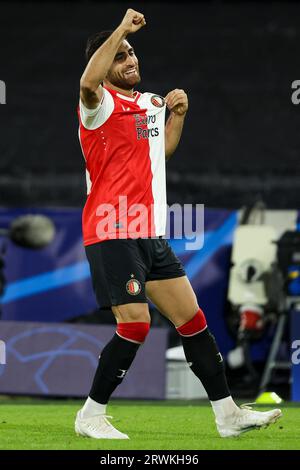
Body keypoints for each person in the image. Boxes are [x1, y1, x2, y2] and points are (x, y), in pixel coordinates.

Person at [75, 8, 282, 439]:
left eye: (133, 53)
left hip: (150, 233)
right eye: (121, 55)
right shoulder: (98, 105)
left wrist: (178, 118)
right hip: (112, 229)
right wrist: (119, 30)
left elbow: (160, 153)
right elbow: (87, 82)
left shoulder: (149, 104)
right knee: (134, 324)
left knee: (193, 321)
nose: (131, 59)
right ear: (105, 61)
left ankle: (227, 415)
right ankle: (90, 414)